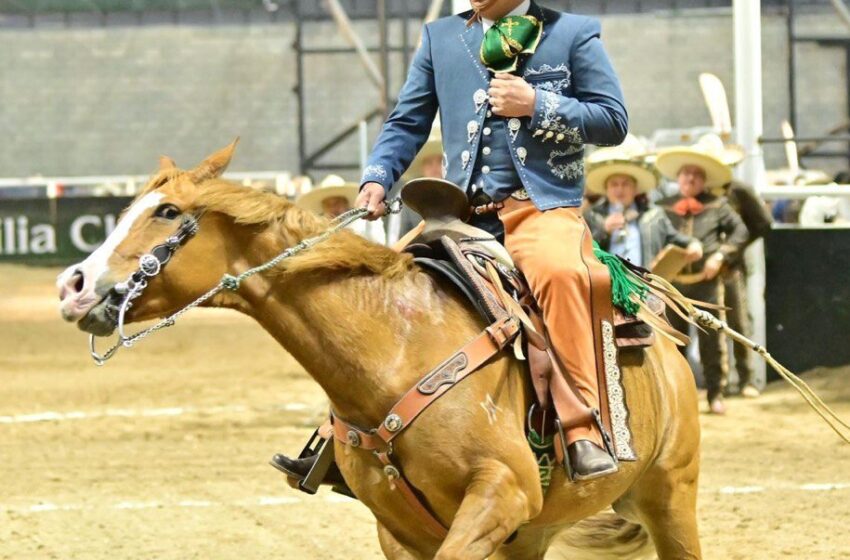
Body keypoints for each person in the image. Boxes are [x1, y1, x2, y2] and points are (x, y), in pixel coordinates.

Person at [273, 0, 629, 485]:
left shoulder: (573, 33)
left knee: (562, 274)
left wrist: (536, 104)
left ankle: (581, 428)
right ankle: (340, 438)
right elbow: (407, 122)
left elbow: (613, 120)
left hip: (539, 209)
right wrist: (378, 179)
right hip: (457, 214)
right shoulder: (441, 37)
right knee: (374, 290)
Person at [655, 137, 749, 415]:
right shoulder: (662, 206)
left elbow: (741, 231)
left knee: (712, 339)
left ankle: (715, 394)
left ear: (704, 180)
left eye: (697, 175)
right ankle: (676, 397)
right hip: (671, 286)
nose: (691, 178)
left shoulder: (718, 204)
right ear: (678, 177)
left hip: (706, 284)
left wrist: (721, 255)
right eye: (686, 173)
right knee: (672, 341)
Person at [707, 135, 773, 398]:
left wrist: (736, 248)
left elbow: (763, 223)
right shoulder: (701, 195)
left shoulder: (739, 190)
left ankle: (747, 377)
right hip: (704, 267)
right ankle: (718, 382)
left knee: (738, 319)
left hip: (731, 266)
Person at [584, 136, 702, 268]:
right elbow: (581, 251)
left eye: (625, 184)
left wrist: (694, 244)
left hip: (643, 286)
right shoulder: (592, 216)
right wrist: (604, 230)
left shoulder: (653, 215)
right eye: (614, 184)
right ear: (606, 189)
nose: (620, 189)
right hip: (606, 286)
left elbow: (675, 238)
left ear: (635, 189)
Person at [296, 175, 387, 245]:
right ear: (323, 208)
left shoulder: (366, 220)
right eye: (328, 204)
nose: (332, 208)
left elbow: (379, 244)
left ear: (346, 203)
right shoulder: (316, 230)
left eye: (336, 203)